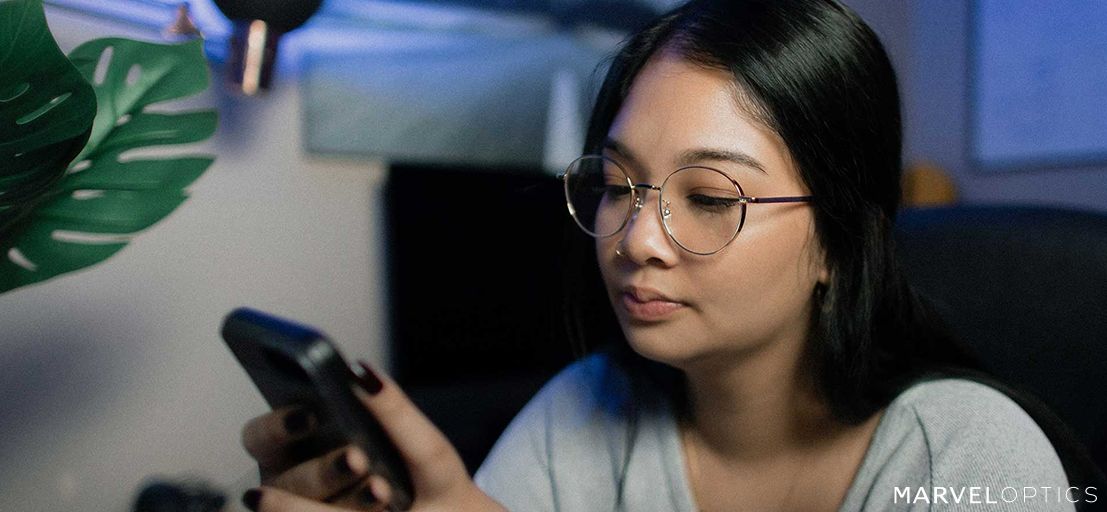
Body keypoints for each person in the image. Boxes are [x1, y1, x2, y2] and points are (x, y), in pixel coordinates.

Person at [237, 0, 1094, 510]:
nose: (635, 240)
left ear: (839, 237)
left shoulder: (968, 458)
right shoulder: (585, 411)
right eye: (616, 184)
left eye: (711, 199)